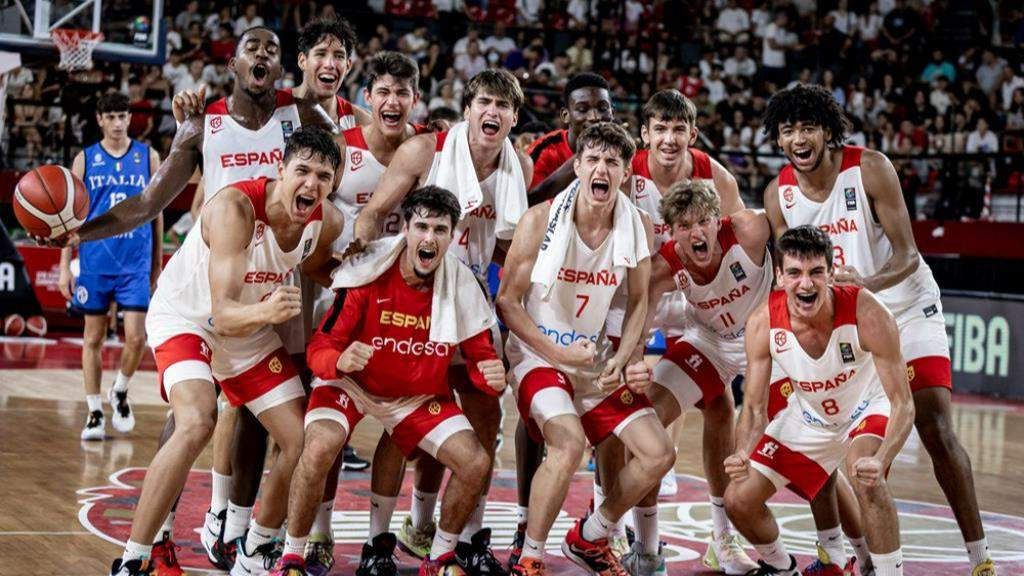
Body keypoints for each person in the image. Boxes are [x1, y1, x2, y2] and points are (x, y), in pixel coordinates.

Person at [761, 83, 996, 575]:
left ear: (827, 131)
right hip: (839, 322)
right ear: (778, 139)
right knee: (839, 440)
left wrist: (863, 283)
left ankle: (981, 558)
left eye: (808, 127)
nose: (799, 138)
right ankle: (856, 558)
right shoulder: (777, 193)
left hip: (903, 306)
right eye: (788, 130)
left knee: (933, 424)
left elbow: (908, 255)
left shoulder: (869, 167)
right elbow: (787, 274)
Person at [108, 127, 344, 576]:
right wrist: (272, 309)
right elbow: (221, 314)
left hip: (249, 326)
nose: (311, 184)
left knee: (303, 438)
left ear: (333, 183)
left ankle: (255, 549)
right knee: (197, 420)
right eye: (302, 171)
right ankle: (133, 560)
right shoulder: (237, 208)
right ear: (280, 169)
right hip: (191, 318)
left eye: (323, 175)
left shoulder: (325, 221)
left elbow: (312, 260)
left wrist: (361, 282)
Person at [350, 69, 531, 574]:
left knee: (485, 417)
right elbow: (376, 212)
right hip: (411, 297)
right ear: (468, 108)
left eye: (503, 106)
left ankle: (465, 537)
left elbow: (502, 244)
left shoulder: (522, 167)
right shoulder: (424, 152)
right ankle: (381, 538)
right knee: (402, 419)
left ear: (514, 118)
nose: (492, 113)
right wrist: (359, 259)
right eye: (484, 102)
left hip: (471, 298)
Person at [273, 186, 506, 576]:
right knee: (318, 448)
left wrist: (491, 376)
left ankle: (441, 556)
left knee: (475, 462)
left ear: (452, 236)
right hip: (352, 384)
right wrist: (339, 358)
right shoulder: (369, 271)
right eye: (422, 227)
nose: (429, 238)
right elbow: (321, 348)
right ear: (407, 230)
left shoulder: (462, 285)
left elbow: (482, 360)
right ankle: (292, 557)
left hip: (413, 396)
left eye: (440, 230)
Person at [496, 122, 674, 576]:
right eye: (593, 160)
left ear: (625, 174)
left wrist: (625, 356)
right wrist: (557, 355)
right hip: (537, 355)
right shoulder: (540, 220)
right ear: (578, 166)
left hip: (593, 358)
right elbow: (508, 304)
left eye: (612, 162)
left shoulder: (636, 225)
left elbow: (639, 302)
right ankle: (531, 556)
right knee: (570, 444)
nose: (601, 169)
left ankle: (591, 536)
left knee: (658, 453)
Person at [724, 225, 915, 576]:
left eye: (816, 272)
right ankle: (783, 568)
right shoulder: (763, 322)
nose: (806, 284)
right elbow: (752, 407)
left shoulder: (868, 312)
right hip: (809, 416)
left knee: (866, 476)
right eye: (794, 273)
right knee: (738, 499)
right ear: (779, 276)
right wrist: (742, 451)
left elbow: (903, 402)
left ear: (831, 273)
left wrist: (884, 456)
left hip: (866, 407)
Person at [302, 50, 429, 576]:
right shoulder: (341, 149)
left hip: (402, 310)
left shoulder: (428, 149)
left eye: (403, 92)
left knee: (399, 429)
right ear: (368, 98)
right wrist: (338, 280)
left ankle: (379, 540)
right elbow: (308, 232)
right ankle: (319, 531)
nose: (393, 101)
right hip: (340, 302)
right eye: (384, 92)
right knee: (329, 430)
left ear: (414, 99)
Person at [629, 179, 768, 574]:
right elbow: (640, 315)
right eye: (685, 226)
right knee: (644, 419)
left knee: (806, 444)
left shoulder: (750, 230)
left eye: (704, 221)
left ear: (718, 220)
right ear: (672, 233)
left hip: (767, 343)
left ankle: (844, 551)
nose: (697, 232)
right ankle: (645, 545)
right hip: (708, 341)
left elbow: (801, 246)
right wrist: (634, 359)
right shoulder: (666, 265)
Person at [58, 91, 162, 442]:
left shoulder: (148, 157)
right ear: (100, 120)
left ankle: (119, 390)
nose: (118, 123)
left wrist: (156, 265)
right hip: (94, 262)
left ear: (129, 119)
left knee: (136, 338)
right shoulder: (84, 160)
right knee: (93, 338)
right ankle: (94, 412)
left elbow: (156, 213)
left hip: (135, 261)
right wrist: (63, 266)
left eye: (123, 116)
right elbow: (68, 218)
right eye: (111, 117)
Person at [525, 73, 613, 191]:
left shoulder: (623, 151)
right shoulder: (545, 150)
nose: (595, 117)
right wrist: (584, 155)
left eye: (602, 109)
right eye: (582, 109)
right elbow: (528, 202)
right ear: (565, 115)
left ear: (612, 113)